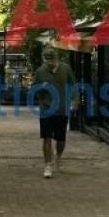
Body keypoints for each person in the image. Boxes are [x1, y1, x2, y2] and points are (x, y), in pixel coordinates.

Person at [33, 47, 76, 178]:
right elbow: (34, 90)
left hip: (62, 109)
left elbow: (73, 85)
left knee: (61, 139)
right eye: (47, 61)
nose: (50, 64)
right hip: (46, 109)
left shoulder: (66, 68)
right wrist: (41, 88)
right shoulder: (40, 71)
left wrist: (75, 100)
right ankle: (48, 165)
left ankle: (58, 156)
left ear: (56, 59)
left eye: (51, 61)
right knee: (47, 138)